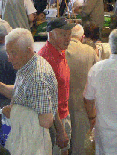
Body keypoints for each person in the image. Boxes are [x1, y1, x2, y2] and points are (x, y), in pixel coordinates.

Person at [0, 28, 57, 154]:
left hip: (35, 144)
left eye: (13, 53)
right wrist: (0, 87)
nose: (9, 58)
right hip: (24, 138)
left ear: (28, 51)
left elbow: (46, 120)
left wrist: (14, 111)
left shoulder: (38, 76)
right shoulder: (27, 64)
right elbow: (25, 94)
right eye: (8, 53)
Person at [38, 17, 75, 155]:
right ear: (51, 34)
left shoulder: (61, 52)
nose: (68, 38)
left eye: (69, 34)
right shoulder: (46, 59)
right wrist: (60, 130)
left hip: (64, 114)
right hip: (54, 120)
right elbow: (47, 100)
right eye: (63, 34)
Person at [65, 24, 98, 155]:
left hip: (60, 107)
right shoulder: (89, 51)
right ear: (82, 37)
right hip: (82, 107)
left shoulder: (59, 50)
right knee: (80, 147)